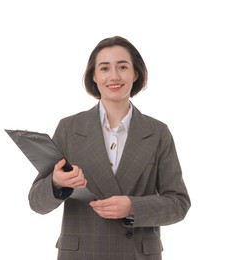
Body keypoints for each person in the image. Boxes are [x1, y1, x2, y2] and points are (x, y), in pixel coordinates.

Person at [28, 36, 191, 260]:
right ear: (94, 76)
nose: (114, 76)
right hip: (81, 253)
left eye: (122, 67)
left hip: (136, 254)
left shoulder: (158, 132)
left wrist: (133, 207)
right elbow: (37, 202)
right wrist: (57, 184)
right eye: (105, 68)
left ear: (135, 73)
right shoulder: (69, 128)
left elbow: (179, 203)